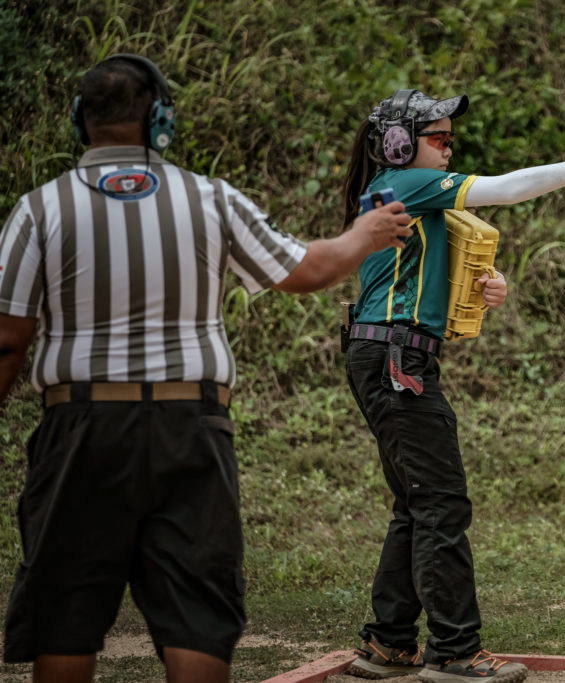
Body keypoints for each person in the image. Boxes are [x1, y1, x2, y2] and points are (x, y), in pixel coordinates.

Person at [0, 54, 411, 683]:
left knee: (66, 612)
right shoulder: (208, 197)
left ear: (80, 121)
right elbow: (308, 270)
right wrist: (367, 232)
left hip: (80, 427)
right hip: (189, 425)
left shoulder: (39, 209)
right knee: (196, 613)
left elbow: (8, 341)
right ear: (160, 121)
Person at [339, 88, 565, 683]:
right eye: (437, 138)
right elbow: (506, 188)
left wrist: (484, 282)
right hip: (395, 359)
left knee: (418, 504)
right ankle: (453, 652)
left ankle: (389, 644)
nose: (448, 148)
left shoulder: (401, 191)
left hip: (388, 354)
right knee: (441, 502)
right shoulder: (404, 182)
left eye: (450, 138)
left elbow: (424, 264)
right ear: (397, 145)